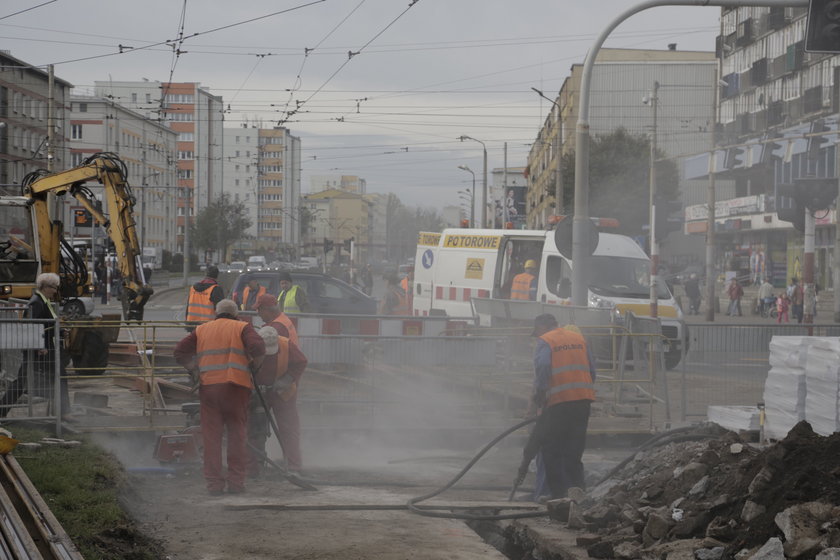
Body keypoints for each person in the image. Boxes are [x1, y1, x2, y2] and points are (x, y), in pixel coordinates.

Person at [173, 299, 265, 495]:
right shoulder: (242, 327)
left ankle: (214, 485)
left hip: (210, 390)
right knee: (237, 437)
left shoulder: (202, 329)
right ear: (235, 314)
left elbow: (179, 351)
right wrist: (255, 365)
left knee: (212, 439)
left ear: (216, 313)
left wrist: (193, 369)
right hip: (236, 389)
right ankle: (236, 484)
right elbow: (258, 347)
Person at [527, 314, 596, 499]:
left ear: (542, 327)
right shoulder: (578, 338)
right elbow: (592, 368)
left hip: (559, 403)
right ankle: (577, 492)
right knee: (574, 449)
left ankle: (557, 496)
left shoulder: (546, 341)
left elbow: (542, 365)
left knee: (551, 450)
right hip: (583, 401)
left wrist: (541, 392)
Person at [0, 273, 72, 419]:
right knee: (23, 381)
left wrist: (60, 331)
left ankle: (62, 411)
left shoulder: (42, 301)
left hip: (43, 348)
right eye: (54, 288)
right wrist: (39, 346)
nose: (55, 291)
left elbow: (46, 324)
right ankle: (63, 412)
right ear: (45, 287)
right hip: (39, 350)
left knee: (58, 376)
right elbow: (32, 326)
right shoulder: (36, 303)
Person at [247, 325, 308, 477]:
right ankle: (254, 467)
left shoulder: (286, 345)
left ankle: (294, 466)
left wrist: (285, 380)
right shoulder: (250, 346)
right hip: (258, 395)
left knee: (289, 428)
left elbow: (301, 362)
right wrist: (252, 388)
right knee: (256, 429)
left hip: (283, 393)